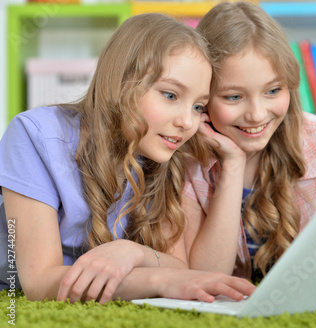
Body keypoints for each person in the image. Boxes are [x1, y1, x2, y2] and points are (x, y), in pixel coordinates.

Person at [0, 13, 255, 304]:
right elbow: (40, 283)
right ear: (120, 84)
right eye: (170, 95)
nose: (187, 121)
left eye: (198, 106)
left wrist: (132, 252)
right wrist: (156, 280)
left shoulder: (161, 154)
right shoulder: (34, 134)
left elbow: (180, 267)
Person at [183, 1, 316, 282]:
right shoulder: (187, 156)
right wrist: (233, 166)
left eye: (273, 90)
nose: (257, 115)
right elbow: (206, 277)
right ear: (203, 98)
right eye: (234, 97)